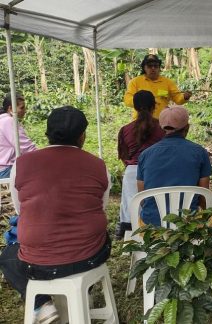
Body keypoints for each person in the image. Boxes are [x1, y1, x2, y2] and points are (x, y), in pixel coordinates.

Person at [0, 106, 111, 324]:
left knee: (8, 256)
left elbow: (22, 210)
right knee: (102, 238)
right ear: (82, 136)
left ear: (47, 133)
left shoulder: (21, 165)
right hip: (89, 257)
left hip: (36, 263)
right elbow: (102, 207)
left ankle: (41, 303)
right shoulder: (98, 165)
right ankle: (82, 294)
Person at [137, 105, 212, 225]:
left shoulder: (145, 155)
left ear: (162, 129)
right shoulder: (199, 153)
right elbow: (204, 197)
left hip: (151, 225)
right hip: (188, 224)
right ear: (186, 128)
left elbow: (142, 199)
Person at [116, 90, 165, 239]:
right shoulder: (162, 128)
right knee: (156, 202)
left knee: (130, 202)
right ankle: (156, 231)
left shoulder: (125, 130)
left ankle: (127, 233)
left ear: (135, 107)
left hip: (132, 170)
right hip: (156, 169)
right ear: (154, 106)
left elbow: (123, 155)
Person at [123, 54, 192, 119]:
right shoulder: (135, 82)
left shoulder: (168, 82)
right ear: (144, 68)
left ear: (159, 68)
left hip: (161, 121)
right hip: (141, 121)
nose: (153, 68)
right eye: (149, 66)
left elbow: (178, 99)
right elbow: (127, 100)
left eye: (155, 66)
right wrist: (142, 101)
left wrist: (185, 97)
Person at [0, 92, 36, 178]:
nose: (25, 110)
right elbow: (25, 146)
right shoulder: (9, 121)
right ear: (11, 108)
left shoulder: (2, 120)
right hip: (6, 169)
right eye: (22, 108)